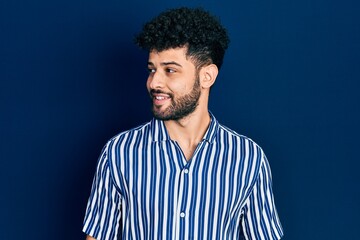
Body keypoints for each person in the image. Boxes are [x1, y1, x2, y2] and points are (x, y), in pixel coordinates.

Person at [83, 7, 283, 240]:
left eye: (170, 70)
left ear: (207, 76)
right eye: (152, 70)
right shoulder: (119, 152)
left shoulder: (248, 158)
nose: (154, 82)